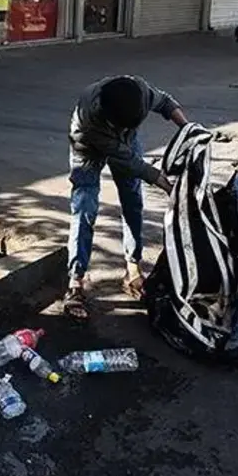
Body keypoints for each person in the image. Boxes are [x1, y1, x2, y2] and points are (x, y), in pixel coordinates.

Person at [63, 75, 190, 321]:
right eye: (120, 126)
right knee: (84, 208)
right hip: (86, 149)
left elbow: (165, 103)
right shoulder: (91, 117)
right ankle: (75, 281)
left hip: (125, 145)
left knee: (133, 201)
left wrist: (188, 129)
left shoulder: (139, 92)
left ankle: (132, 269)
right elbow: (129, 160)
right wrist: (163, 182)